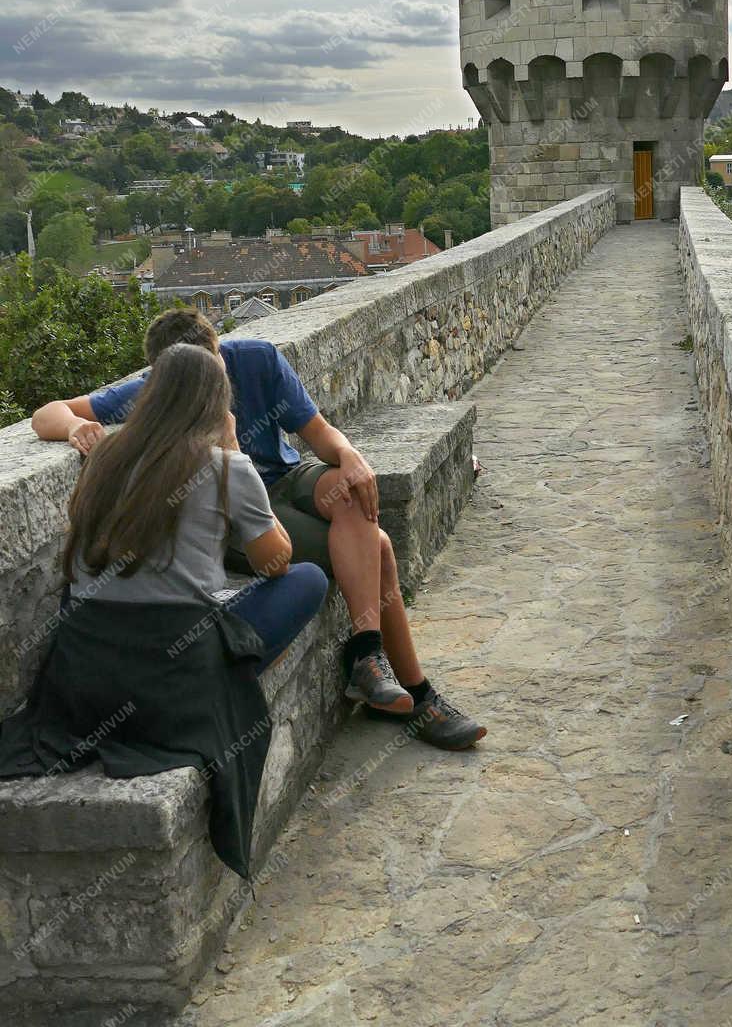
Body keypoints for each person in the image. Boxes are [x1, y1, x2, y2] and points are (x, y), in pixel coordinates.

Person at [31, 306, 486, 751]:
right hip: (241, 505)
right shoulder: (160, 391)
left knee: (349, 494)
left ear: (221, 354)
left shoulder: (258, 359)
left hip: (285, 478)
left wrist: (350, 456)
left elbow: (320, 433)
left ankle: (372, 660)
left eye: (218, 369)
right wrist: (76, 426)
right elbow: (46, 414)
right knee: (379, 547)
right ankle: (403, 685)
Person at [1, 343, 329, 877]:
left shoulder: (104, 456)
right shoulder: (226, 467)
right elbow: (275, 562)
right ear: (217, 403)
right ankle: (227, 676)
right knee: (309, 580)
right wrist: (231, 453)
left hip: (85, 666)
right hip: (172, 673)